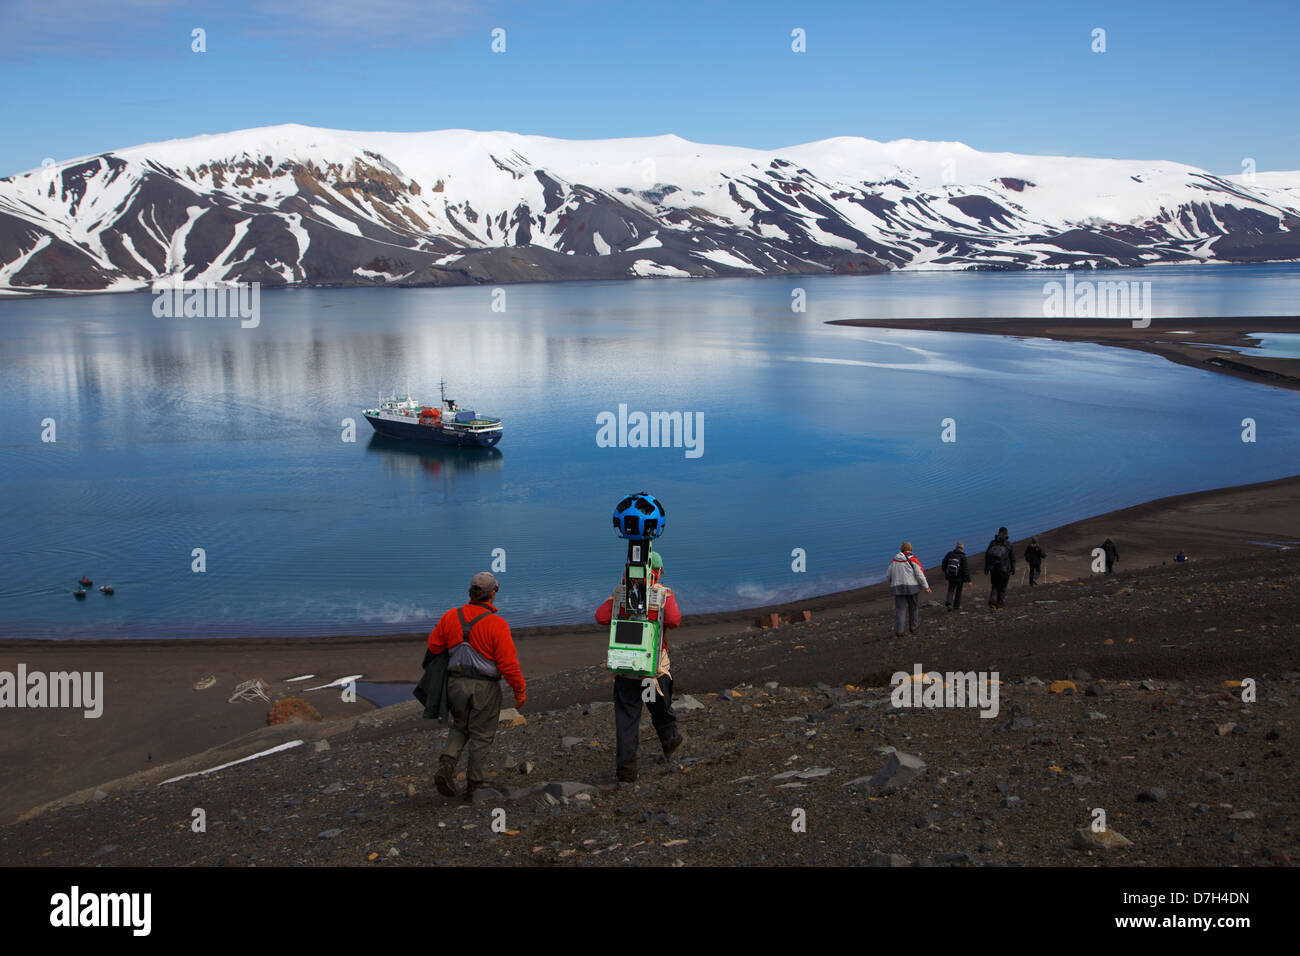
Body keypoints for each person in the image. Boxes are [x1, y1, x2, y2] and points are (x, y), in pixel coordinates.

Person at [429, 572, 526, 800]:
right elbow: (508, 663)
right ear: (493, 594)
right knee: (481, 735)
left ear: (470, 593)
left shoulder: (450, 616)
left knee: (460, 726)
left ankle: (446, 767)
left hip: (454, 684)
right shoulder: (496, 624)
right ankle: (475, 785)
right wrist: (519, 690)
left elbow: (434, 647)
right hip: (484, 687)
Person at [595, 549, 683, 784]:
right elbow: (674, 620)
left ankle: (626, 771)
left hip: (626, 669)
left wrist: (618, 600)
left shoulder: (621, 594)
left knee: (626, 720)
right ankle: (670, 739)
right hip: (653, 667)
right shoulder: (663, 594)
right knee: (660, 707)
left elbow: (601, 617)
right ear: (657, 571)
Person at [887, 541, 930, 636]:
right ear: (911, 549)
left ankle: (899, 630)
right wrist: (926, 587)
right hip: (912, 588)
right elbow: (919, 574)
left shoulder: (894, 560)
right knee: (913, 607)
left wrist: (892, 583)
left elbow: (888, 575)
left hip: (898, 588)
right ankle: (913, 627)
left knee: (900, 609)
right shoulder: (913, 560)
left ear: (901, 549)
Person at [984, 527, 1015, 610]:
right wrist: (1013, 569)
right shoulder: (1008, 544)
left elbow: (987, 556)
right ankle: (1000, 604)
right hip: (1004, 569)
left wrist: (986, 568)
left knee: (994, 585)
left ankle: (993, 599)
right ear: (1006, 534)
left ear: (998, 533)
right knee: (1003, 586)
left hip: (993, 568)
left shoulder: (992, 543)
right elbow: (1012, 558)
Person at [940, 541, 970, 611]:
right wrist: (968, 580)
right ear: (962, 548)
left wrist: (944, 570)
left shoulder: (949, 554)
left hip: (951, 576)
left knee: (950, 590)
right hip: (960, 577)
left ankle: (949, 603)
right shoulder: (963, 556)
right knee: (958, 591)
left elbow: (944, 562)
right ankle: (956, 606)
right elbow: (966, 569)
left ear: (956, 547)